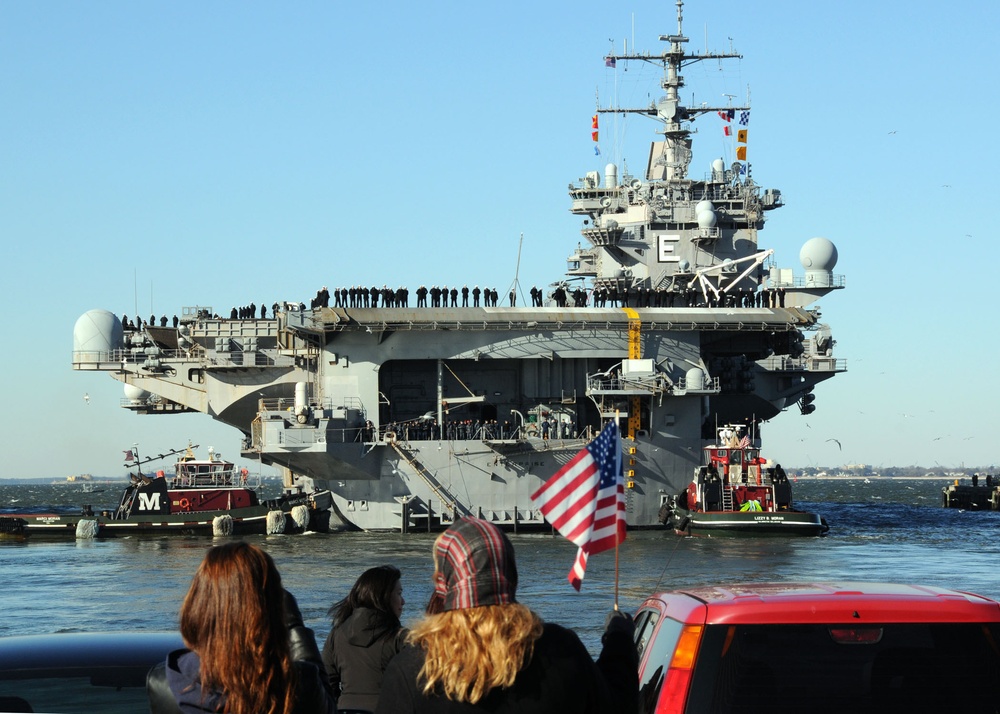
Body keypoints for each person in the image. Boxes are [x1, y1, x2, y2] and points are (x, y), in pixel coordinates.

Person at [374, 517, 638, 714]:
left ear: (444, 581)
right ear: (511, 575)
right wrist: (619, 639)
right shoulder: (560, 649)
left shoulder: (411, 670)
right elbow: (617, 706)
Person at [147, 541, 335, 714]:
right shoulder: (297, 684)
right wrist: (295, 626)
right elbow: (328, 706)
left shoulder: (166, 680)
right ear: (271, 610)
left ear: (198, 605)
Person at [322, 565, 407, 713]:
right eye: (399, 593)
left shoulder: (336, 635)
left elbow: (325, 682)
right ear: (384, 597)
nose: (403, 601)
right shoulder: (400, 638)